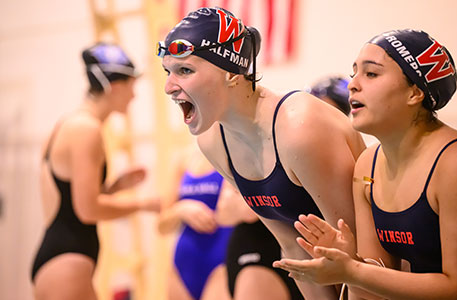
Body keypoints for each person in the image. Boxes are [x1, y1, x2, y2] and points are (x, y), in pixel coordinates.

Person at [158, 6, 366, 299]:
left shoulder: (298, 128)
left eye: (185, 70)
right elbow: (292, 244)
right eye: (168, 72)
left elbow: (362, 246)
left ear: (232, 72)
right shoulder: (213, 141)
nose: (169, 87)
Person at [273, 29, 457, 300]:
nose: (352, 85)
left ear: (415, 93)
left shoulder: (452, 164)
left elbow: (455, 287)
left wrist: (354, 272)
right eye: (354, 74)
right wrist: (349, 259)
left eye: (371, 74)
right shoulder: (368, 164)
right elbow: (380, 275)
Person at [31, 42, 161, 300]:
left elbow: (70, 201)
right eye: (132, 86)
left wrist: (113, 188)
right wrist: (143, 203)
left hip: (60, 258)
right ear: (115, 87)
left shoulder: (67, 124)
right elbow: (87, 210)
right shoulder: (86, 131)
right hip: (67, 263)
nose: (134, 96)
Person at [157, 141, 234, 300]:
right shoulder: (183, 158)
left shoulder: (232, 152)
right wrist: (181, 209)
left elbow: (238, 211)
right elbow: (162, 225)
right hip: (185, 259)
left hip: (221, 257)